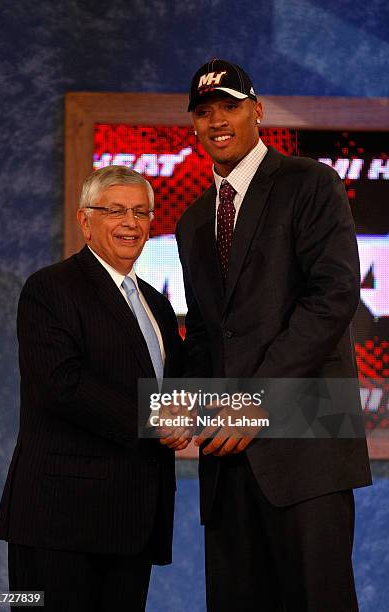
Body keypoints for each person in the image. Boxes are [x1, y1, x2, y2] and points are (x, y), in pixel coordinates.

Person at [175, 59, 372, 611]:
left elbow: (333, 297)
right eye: (205, 111)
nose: (218, 120)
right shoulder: (191, 221)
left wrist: (252, 400)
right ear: (194, 125)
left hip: (306, 447)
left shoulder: (310, 182)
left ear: (257, 111)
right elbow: (205, 336)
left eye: (230, 107)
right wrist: (180, 407)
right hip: (228, 465)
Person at [0, 166, 184, 611]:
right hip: (59, 521)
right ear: (85, 220)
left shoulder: (156, 302)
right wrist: (156, 420)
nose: (131, 223)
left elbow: (171, 387)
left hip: (133, 521)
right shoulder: (50, 288)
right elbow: (62, 385)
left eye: (141, 212)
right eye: (115, 211)